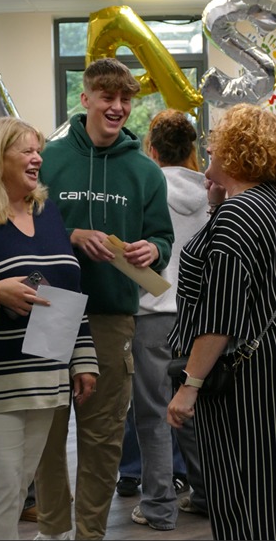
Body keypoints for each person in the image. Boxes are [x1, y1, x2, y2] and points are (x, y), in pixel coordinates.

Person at [33, 57, 174, 540]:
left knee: (103, 435)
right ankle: (53, 528)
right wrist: (71, 234)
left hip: (114, 314)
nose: (117, 107)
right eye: (107, 97)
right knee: (48, 430)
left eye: (125, 99)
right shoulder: (48, 162)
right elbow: (22, 227)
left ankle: (90, 532)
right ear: (85, 98)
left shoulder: (145, 172)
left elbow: (163, 239)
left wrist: (153, 248)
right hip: (52, 307)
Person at [0, 116, 99, 541]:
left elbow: (68, 287)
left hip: (44, 375)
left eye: (38, 150)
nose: (37, 158)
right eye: (26, 151)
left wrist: (83, 358)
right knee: (0, 485)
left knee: (16, 485)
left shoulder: (46, 213)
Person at [167, 103, 276, 541]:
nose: (208, 148)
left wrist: (189, 386)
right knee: (263, 487)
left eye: (215, 142)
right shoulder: (261, 204)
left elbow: (220, 316)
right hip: (262, 368)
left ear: (232, 152)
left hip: (237, 381)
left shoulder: (238, 216)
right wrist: (215, 205)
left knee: (239, 495)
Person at [116, 109, 210, 531]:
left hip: (153, 314)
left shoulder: (145, 186)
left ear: (151, 149)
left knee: (152, 414)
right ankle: (206, 493)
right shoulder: (210, 194)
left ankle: (158, 506)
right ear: (192, 150)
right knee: (190, 409)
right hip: (198, 318)